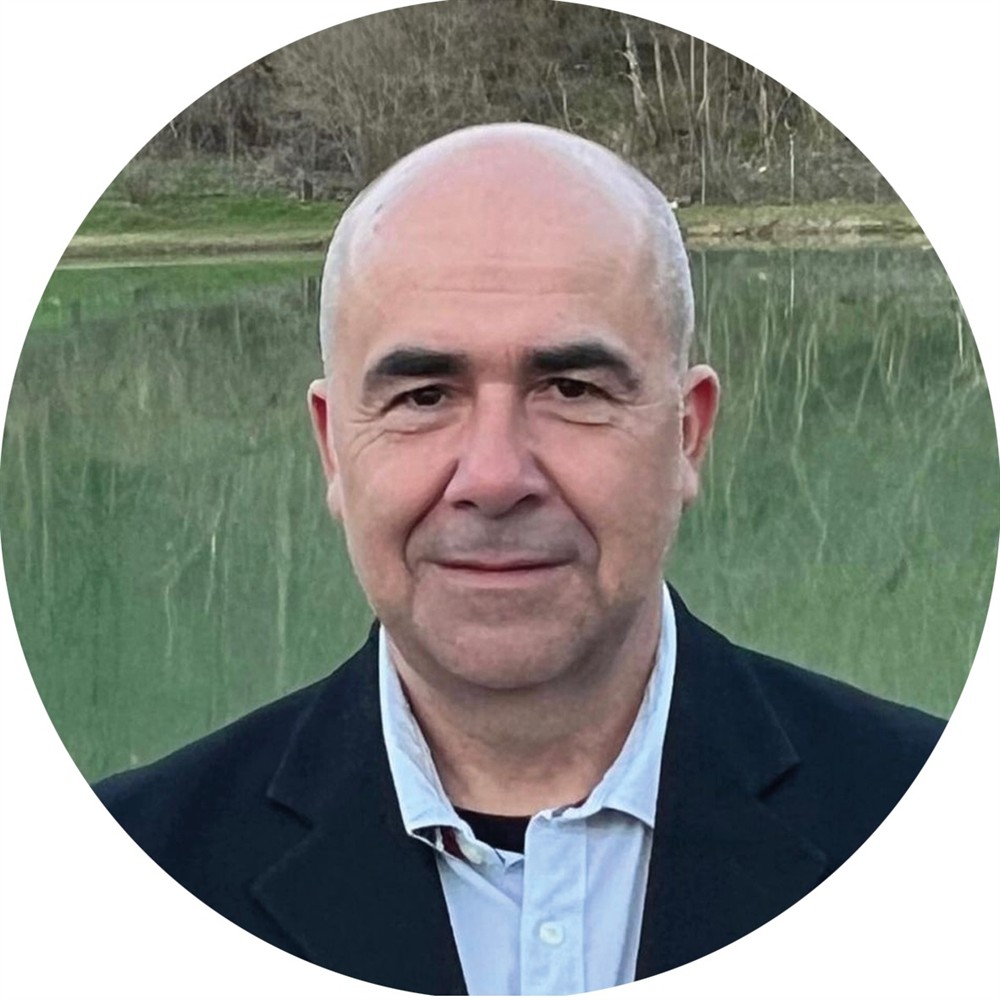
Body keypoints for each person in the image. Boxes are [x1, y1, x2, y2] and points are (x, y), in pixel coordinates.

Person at [95, 123, 944, 995]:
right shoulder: (122, 880)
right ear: (333, 451)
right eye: (424, 396)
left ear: (687, 435)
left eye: (571, 390)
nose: (495, 478)